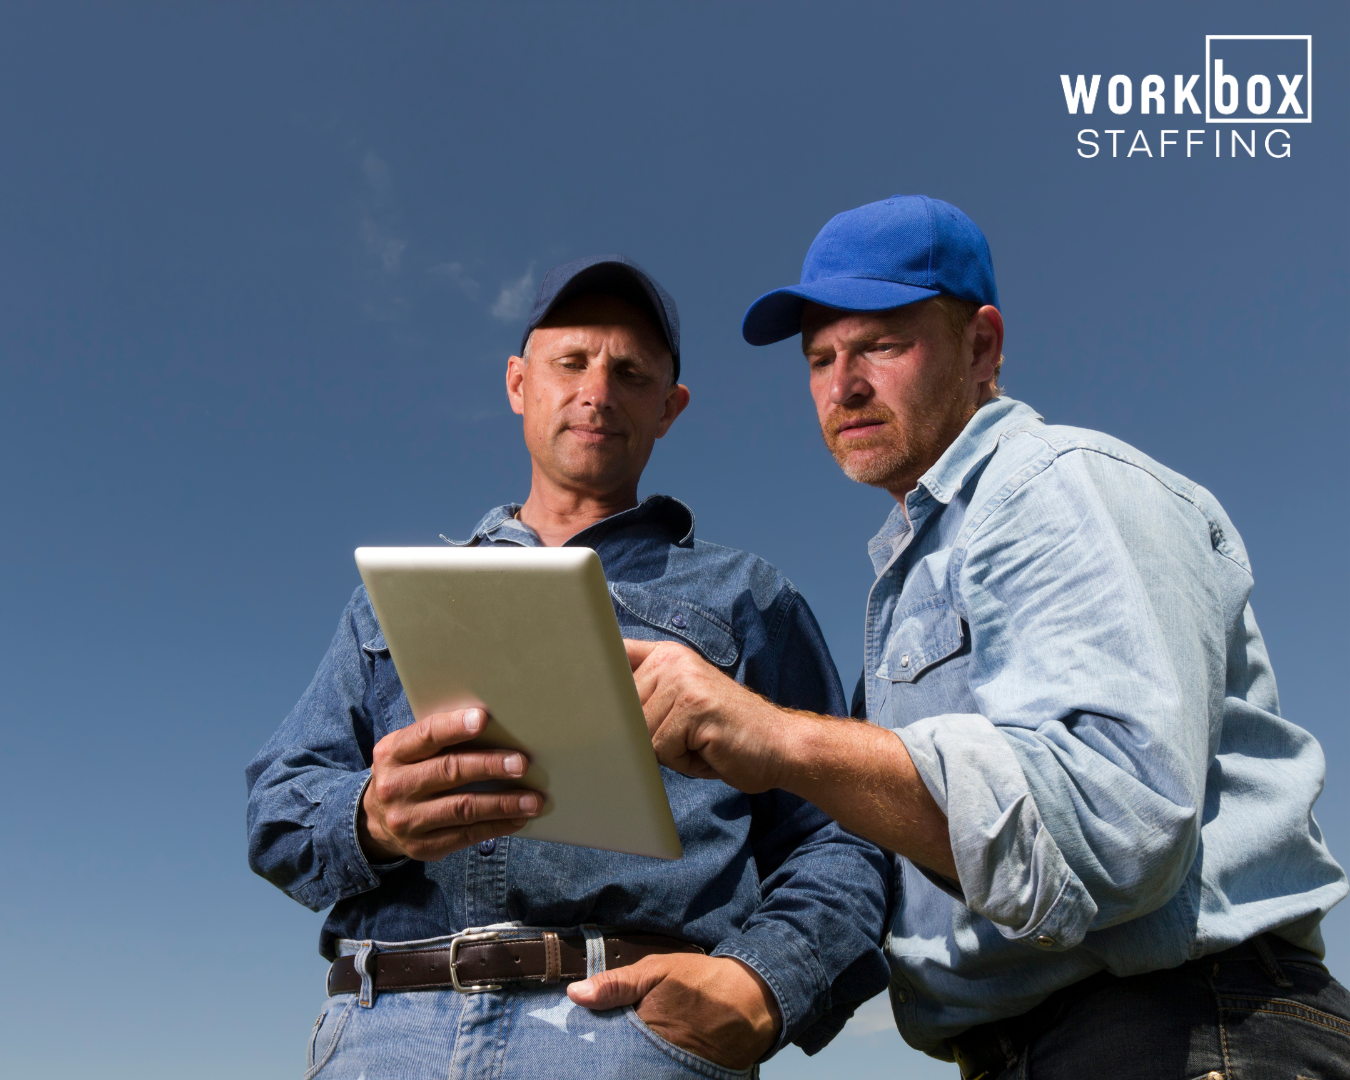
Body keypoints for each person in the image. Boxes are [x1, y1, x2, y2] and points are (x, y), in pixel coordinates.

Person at [602, 196, 1350, 1077]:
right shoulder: (918, 566)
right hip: (1038, 1048)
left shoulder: (1054, 487)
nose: (843, 385)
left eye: (881, 344)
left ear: (982, 347)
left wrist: (779, 739)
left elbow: (1116, 825)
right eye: (820, 358)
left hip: (1179, 1030)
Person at [245, 254, 890, 1079]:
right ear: (519, 382)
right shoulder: (389, 604)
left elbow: (843, 835)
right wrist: (371, 816)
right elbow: (276, 808)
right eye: (572, 362)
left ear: (670, 408)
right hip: (384, 1032)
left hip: (629, 1032)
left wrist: (761, 984)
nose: (597, 391)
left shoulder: (748, 598)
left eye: (630, 372)